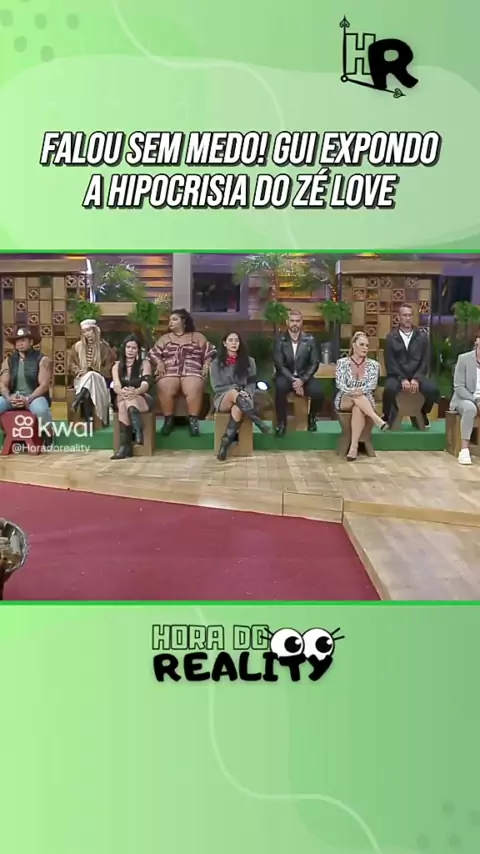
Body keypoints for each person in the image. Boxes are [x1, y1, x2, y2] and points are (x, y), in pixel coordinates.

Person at [149, 308, 215, 437]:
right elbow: (153, 353)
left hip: (192, 369)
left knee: (193, 385)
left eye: (174, 319)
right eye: (170, 320)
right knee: (165, 385)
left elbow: (210, 352)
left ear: (184, 321)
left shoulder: (197, 337)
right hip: (169, 370)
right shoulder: (164, 338)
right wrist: (159, 362)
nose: (171, 322)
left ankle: (193, 421)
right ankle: (168, 420)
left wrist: (206, 365)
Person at [210, 331, 270, 461]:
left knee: (237, 408)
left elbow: (252, 383)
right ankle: (257, 421)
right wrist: (235, 390)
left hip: (244, 397)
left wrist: (246, 392)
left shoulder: (249, 361)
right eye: (230, 340)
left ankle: (224, 446)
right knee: (233, 393)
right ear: (224, 343)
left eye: (236, 340)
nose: (234, 343)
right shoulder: (215, 363)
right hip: (223, 397)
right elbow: (216, 387)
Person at [335, 332, 388, 461]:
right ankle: (376, 419)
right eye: (362, 344)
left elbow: (372, 385)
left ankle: (353, 447)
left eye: (367, 345)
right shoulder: (342, 363)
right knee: (356, 399)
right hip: (345, 397)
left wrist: (361, 391)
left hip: (365, 398)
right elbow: (340, 384)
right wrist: (353, 391)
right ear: (354, 346)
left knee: (358, 408)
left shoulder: (374, 365)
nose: (365, 348)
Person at [383, 304, 439, 428]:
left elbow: (425, 361)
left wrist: (416, 378)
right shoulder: (391, 338)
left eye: (410, 315)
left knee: (433, 390)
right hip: (397, 376)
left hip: (417, 375)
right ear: (398, 317)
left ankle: (422, 412)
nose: (408, 318)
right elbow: (390, 362)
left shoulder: (421, 337)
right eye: (404, 315)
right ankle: (389, 414)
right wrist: (402, 378)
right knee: (389, 390)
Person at [273, 309, 323, 437]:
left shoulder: (310, 339)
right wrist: (294, 380)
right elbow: (279, 364)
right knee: (280, 387)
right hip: (286, 376)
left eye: (297, 321)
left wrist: (302, 380)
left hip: (304, 377)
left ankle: (311, 418)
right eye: (292, 321)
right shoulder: (280, 340)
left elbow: (315, 363)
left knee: (318, 392)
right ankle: (281, 422)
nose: (295, 323)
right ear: (287, 322)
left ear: (301, 322)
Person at [111, 334, 155, 460]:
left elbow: (146, 384)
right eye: (128, 347)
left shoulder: (144, 364)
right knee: (123, 403)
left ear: (138, 350)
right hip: (123, 397)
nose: (130, 350)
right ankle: (137, 430)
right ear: (124, 348)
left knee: (124, 403)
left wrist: (135, 392)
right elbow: (116, 386)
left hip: (142, 398)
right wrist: (123, 392)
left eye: (134, 348)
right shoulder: (117, 366)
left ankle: (125, 446)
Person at [0, 327, 53, 430]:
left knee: (41, 410)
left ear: (31, 342)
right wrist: (9, 397)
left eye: (23, 340)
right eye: (17, 341)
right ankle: (7, 430)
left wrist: (28, 399)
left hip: (34, 397)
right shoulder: (9, 361)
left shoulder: (42, 359)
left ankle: (48, 433)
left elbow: (44, 386)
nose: (19, 344)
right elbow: (3, 384)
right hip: (14, 397)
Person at [68, 319, 115, 426]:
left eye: (89, 331)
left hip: (99, 380)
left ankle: (78, 399)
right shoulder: (77, 346)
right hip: (81, 379)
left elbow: (109, 367)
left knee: (92, 374)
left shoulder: (104, 347)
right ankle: (89, 418)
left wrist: (94, 370)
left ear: (95, 331)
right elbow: (71, 364)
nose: (87, 334)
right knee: (89, 381)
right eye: (84, 332)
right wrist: (79, 371)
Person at [449, 333, 480, 465]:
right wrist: (476, 400)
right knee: (470, 408)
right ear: (477, 344)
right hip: (464, 398)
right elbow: (459, 387)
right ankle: (464, 450)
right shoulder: (464, 359)